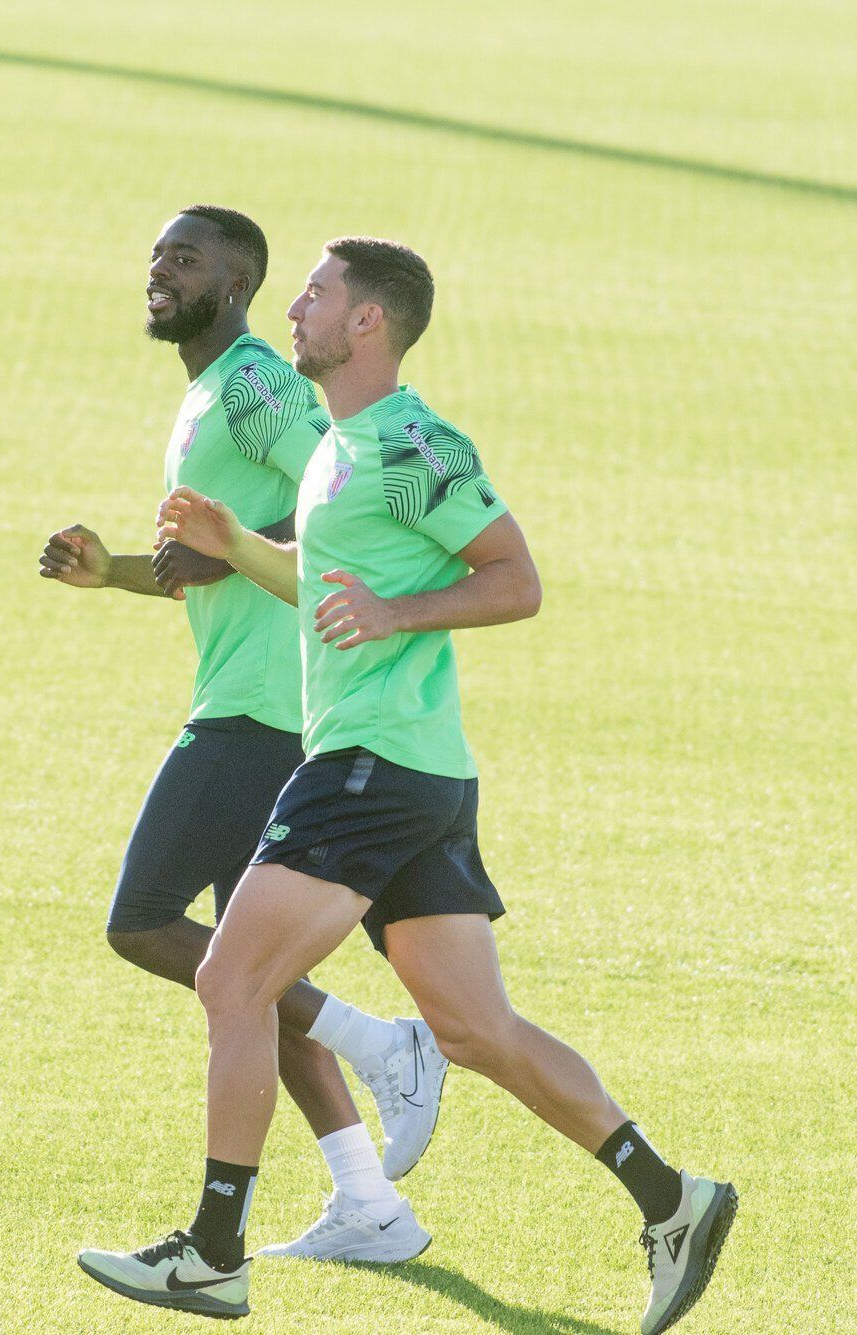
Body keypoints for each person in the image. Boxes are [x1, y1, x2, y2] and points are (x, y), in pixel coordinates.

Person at [77, 237, 737, 1331]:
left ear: (368, 322)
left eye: (316, 293)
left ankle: (212, 1249)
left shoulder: (411, 441)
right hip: (412, 774)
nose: (294, 306)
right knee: (475, 1032)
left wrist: (396, 614)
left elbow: (514, 578)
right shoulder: (335, 447)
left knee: (232, 985)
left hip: (368, 767)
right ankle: (671, 1200)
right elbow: (323, 582)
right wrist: (234, 540)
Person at [40, 209, 449, 1265]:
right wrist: (115, 573)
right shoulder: (206, 395)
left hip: (261, 711)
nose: (157, 270)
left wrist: (228, 552)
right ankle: (369, 1205)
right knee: (245, 973)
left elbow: (335, 498)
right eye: (154, 256)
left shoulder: (258, 385)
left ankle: (382, 1041)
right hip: (249, 696)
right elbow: (207, 565)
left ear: (234, 285)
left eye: (183, 259)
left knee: (141, 923)